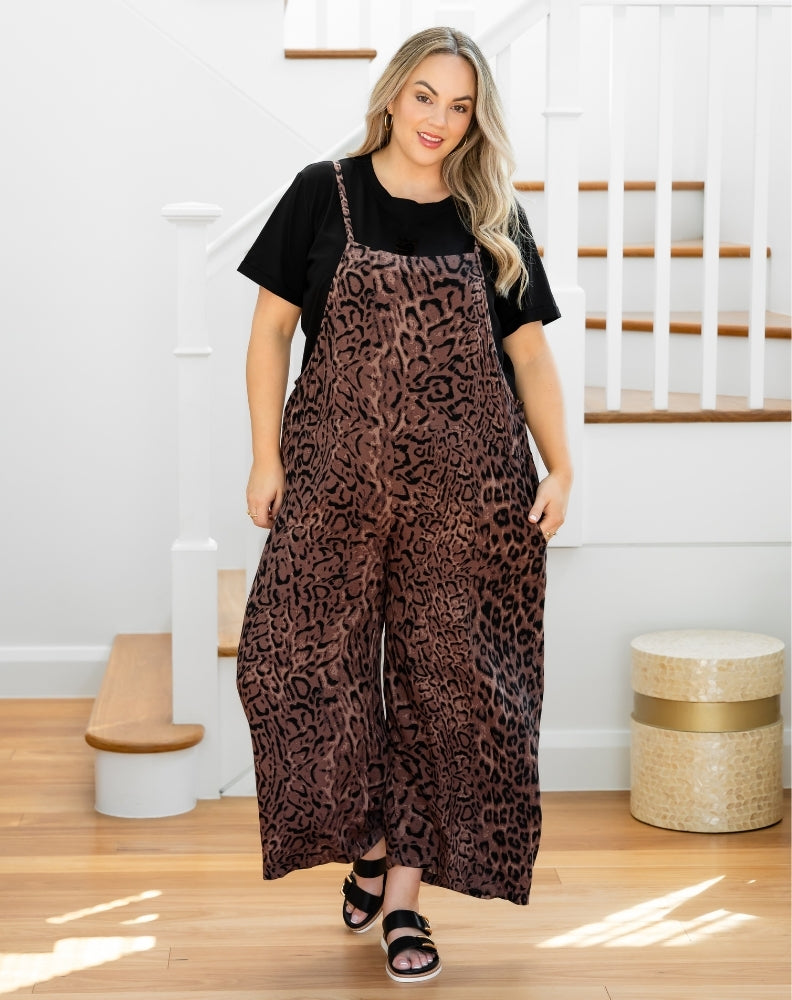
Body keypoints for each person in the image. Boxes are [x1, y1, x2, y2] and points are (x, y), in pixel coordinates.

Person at [236, 26, 572, 984]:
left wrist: (561, 467)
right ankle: (371, 839)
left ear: (476, 120)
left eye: (459, 106)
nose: (439, 121)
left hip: (467, 492)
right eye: (426, 96)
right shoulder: (322, 191)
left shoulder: (490, 213)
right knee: (297, 668)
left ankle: (406, 903)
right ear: (393, 96)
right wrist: (265, 457)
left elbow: (531, 357)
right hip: (332, 482)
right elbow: (268, 336)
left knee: (444, 689)